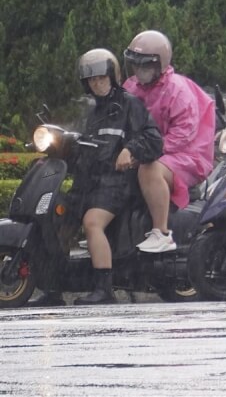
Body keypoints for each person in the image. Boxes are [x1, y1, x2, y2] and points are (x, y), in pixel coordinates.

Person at [29, 50, 163, 306]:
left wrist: (130, 149)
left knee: (92, 222)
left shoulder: (129, 104)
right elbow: (77, 143)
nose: (97, 83)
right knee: (54, 221)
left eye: (101, 78)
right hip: (87, 184)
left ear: (112, 76)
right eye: (91, 80)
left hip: (117, 183)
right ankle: (53, 289)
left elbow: (154, 139)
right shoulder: (89, 110)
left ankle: (104, 290)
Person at [123, 30, 215, 253]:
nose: (139, 70)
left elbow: (184, 134)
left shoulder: (177, 90)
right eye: (135, 65)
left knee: (149, 169)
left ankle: (161, 232)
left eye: (145, 65)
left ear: (160, 64)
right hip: (151, 151)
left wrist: (144, 152)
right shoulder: (130, 87)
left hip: (188, 155)